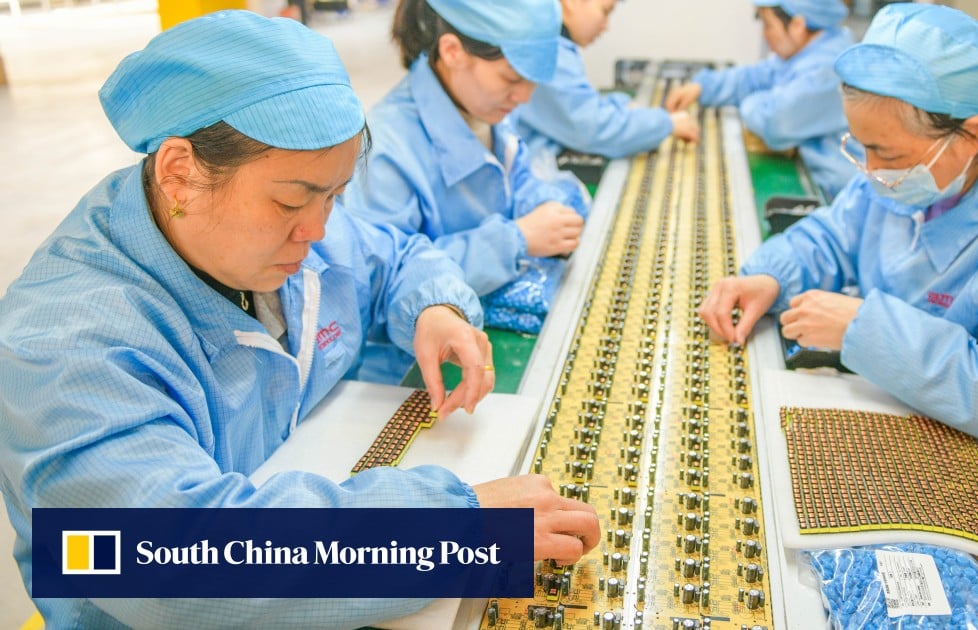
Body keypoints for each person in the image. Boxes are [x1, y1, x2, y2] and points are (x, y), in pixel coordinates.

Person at [0, 11, 599, 628]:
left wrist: (434, 307)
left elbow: (394, 256)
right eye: (291, 201)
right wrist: (460, 533)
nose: (316, 231)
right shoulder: (60, 348)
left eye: (333, 196)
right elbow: (167, 561)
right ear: (179, 171)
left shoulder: (282, 235)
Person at [699, 3, 978, 536]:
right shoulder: (917, 167)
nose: (871, 171)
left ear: (973, 133)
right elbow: (837, 231)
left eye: (885, 154)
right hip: (911, 413)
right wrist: (771, 275)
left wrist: (864, 329)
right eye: (861, 148)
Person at [341, 0, 588, 368]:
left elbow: (515, 178)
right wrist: (514, 240)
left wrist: (542, 204)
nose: (524, 96)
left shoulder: (479, 104)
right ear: (453, 51)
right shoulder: (387, 149)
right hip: (411, 368)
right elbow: (383, 285)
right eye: (512, 79)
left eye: (533, 81)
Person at [664, 0, 857, 199]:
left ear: (797, 25)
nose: (765, 35)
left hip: (833, 192)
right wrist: (704, 86)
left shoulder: (827, 69)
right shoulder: (812, 47)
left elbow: (774, 120)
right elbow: (758, 76)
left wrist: (753, 101)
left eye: (768, 25)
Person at [513, 0, 700, 164]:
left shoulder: (552, 43)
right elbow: (591, 128)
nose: (606, 26)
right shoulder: (546, 52)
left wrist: (624, 108)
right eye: (605, 11)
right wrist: (665, 123)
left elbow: (580, 105)